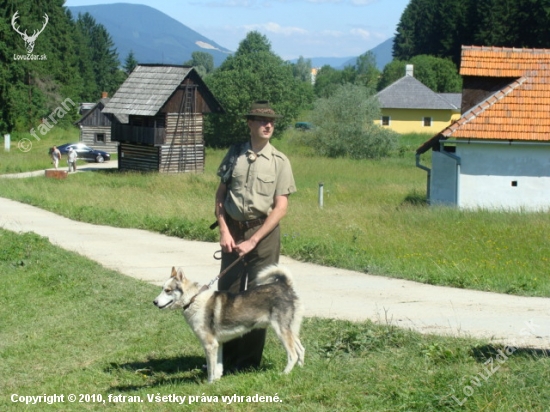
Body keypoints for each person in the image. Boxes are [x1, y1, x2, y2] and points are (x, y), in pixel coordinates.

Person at [214, 100, 297, 372]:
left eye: (271, 121)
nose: (267, 125)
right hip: (233, 232)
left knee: (260, 297)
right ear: (250, 123)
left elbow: (281, 207)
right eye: (261, 120)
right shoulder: (234, 155)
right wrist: (224, 230)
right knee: (228, 295)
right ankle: (225, 360)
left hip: (264, 234)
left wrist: (254, 239)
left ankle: (248, 363)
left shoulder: (280, 162)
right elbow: (220, 195)